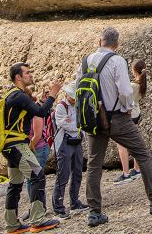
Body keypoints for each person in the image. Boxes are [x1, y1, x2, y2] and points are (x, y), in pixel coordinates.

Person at [82, 27, 152, 226]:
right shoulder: (117, 60)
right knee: (142, 154)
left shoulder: (86, 61)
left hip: (93, 120)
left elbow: (77, 89)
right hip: (116, 117)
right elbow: (125, 91)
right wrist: (127, 108)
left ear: (100, 41)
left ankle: (94, 212)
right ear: (116, 44)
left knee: (93, 164)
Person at [1, 62, 61, 233]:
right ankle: (37, 220)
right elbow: (42, 113)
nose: (30, 75)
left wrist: (43, 101)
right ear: (18, 77)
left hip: (9, 146)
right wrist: (53, 96)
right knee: (37, 175)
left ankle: (12, 225)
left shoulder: (11, 95)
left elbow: (34, 111)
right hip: (18, 145)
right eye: (27, 73)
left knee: (15, 183)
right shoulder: (19, 96)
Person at [52, 83, 88, 218]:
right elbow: (64, 124)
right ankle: (59, 207)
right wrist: (78, 125)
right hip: (64, 142)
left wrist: (76, 125)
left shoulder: (76, 105)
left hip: (76, 141)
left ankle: (74, 201)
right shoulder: (61, 107)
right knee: (63, 174)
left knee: (78, 171)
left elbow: (77, 123)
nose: (73, 99)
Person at [113, 60, 147, 184]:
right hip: (136, 113)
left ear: (134, 70)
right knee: (135, 141)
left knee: (121, 144)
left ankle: (126, 172)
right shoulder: (142, 85)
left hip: (129, 114)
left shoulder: (132, 85)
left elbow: (122, 96)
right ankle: (136, 169)